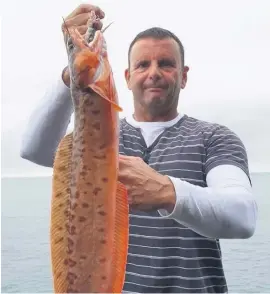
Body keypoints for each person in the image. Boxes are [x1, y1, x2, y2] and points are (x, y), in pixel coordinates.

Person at [20, 3, 258, 293]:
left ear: (183, 76)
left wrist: (167, 192)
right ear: (127, 77)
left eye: (166, 64)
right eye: (142, 64)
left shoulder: (214, 138)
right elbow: (34, 148)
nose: (154, 72)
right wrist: (74, 68)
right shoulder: (101, 140)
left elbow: (242, 217)